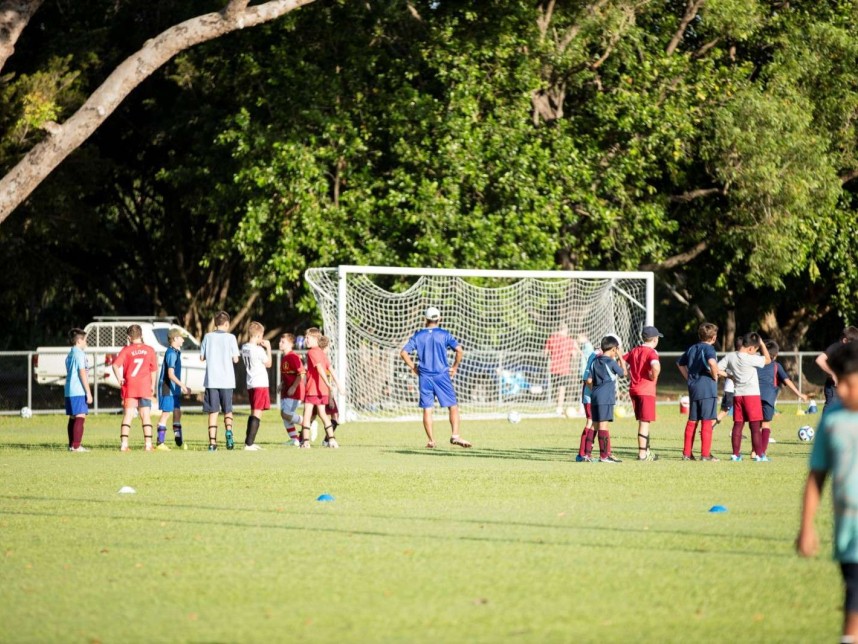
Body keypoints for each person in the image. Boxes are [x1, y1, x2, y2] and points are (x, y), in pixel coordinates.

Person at [797, 341, 858, 643]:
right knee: (854, 598)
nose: (841, 391)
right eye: (838, 382)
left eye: (848, 383)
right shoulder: (832, 420)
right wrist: (806, 527)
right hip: (850, 529)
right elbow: (816, 479)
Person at [400, 307, 471, 449]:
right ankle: (455, 435)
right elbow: (459, 350)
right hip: (441, 375)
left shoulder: (418, 335)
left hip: (425, 376)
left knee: (427, 409)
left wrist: (414, 368)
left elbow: (403, 353)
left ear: (425, 319)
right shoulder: (444, 334)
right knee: (453, 407)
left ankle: (431, 440)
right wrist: (455, 366)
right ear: (440, 319)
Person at [717, 332, 771, 461]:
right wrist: (762, 344)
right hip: (751, 396)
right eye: (755, 349)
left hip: (738, 395)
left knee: (738, 424)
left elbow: (716, 369)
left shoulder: (730, 356)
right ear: (751, 348)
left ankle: (735, 455)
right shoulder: (750, 358)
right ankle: (759, 455)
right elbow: (768, 360)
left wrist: (729, 376)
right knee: (754, 426)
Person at [676, 322, 720, 461]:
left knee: (693, 420)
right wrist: (715, 376)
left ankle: (687, 454)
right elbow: (712, 363)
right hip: (707, 388)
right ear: (713, 337)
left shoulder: (692, 348)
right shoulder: (709, 349)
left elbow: (679, 363)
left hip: (694, 388)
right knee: (707, 420)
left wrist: (688, 377)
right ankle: (705, 455)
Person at [756, 339, 808, 456]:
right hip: (768, 397)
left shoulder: (755, 364)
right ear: (776, 354)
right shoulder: (776, 366)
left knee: (756, 425)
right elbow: (787, 381)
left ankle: (754, 450)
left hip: (754, 396)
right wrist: (799, 394)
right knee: (765, 424)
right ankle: (761, 452)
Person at [112, 324, 158, 451]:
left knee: (128, 415)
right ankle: (148, 445)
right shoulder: (149, 350)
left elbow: (115, 365)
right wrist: (152, 385)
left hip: (130, 386)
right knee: (146, 415)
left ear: (129, 337)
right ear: (141, 335)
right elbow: (153, 370)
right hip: (144, 387)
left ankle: (124, 445)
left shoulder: (126, 350)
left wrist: (120, 378)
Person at [200, 311, 240, 451]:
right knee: (228, 410)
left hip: (211, 380)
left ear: (215, 323)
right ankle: (229, 432)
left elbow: (202, 357)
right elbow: (235, 359)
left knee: (213, 411)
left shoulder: (207, 337)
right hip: (227, 380)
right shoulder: (231, 338)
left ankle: (212, 443)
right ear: (227, 324)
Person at [583, 335, 627, 463]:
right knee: (603, 425)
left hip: (595, 396)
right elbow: (624, 373)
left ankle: (587, 454)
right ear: (614, 349)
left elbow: (589, 380)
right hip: (605, 398)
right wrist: (621, 357)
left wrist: (595, 391)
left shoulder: (595, 361)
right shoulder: (611, 362)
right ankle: (604, 456)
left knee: (594, 425)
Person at [624, 325, 663, 461]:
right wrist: (653, 376)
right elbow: (656, 366)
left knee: (643, 421)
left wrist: (628, 374)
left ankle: (647, 450)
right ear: (655, 339)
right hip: (646, 390)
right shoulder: (652, 352)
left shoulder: (634, 350)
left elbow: (620, 361)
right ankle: (642, 454)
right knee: (644, 422)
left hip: (634, 389)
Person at [299, 328, 342, 448]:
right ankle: (332, 440)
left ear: (316, 339)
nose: (305, 340)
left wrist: (329, 385)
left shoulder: (312, 352)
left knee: (307, 414)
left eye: (308, 338)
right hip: (322, 390)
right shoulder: (322, 353)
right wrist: (338, 385)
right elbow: (331, 368)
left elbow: (319, 368)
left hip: (313, 389)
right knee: (323, 414)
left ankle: (306, 442)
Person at [155, 328, 190, 450]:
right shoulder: (171, 353)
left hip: (174, 389)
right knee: (166, 414)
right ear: (175, 339)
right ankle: (160, 443)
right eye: (181, 337)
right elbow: (170, 374)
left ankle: (178, 442)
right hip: (167, 388)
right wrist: (183, 385)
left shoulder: (176, 352)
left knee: (177, 413)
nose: (183, 340)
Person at [241, 321, 272, 451]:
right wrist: (269, 348)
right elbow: (269, 363)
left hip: (251, 383)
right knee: (257, 413)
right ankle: (249, 444)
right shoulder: (258, 350)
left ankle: (249, 442)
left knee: (254, 411)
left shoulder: (245, 347)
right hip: (260, 383)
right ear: (259, 335)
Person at [64, 328, 93, 452]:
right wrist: (88, 391)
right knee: (80, 416)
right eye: (85, 340)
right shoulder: (79, 354)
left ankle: (71, 445)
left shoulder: (70, 354)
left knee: (73, 417)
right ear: (79, 341)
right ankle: (76, 446)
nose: (86, 343)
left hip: (69, 390)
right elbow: (82, 372)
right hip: (78, 390)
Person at [816, 327, 858, 410]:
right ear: (845, 340)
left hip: (848, 386)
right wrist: (832, 374)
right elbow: (820, 360)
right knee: (831, 408)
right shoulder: (836, 347)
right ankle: (827, 422)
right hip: (833, 387)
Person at [544, 323, 578, 415]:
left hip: (553, 367)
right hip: (564, 368)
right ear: (565, 330)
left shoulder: (551, 338)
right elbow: (574, 355)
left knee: (555, 388)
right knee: (561, 389)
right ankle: (559, 408)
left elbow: (545, 353)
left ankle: (557, 407)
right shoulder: (569, 340)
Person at [278, 333, 305, 446]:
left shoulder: (293, 357)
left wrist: (294, 387)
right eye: (280, 341)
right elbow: (288, 375)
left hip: (294, 392)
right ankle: (294, 439)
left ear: (290, 344)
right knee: (283, 414)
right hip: (286, 391)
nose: (280, 343)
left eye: (283, 342)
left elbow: (301, 373)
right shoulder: (285, 358)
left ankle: (308, 423)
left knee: (286, 414)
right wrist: (282, 384)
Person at [575, 339, 599, 462]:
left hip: (590, 394)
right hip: (590, 395)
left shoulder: (595, 355)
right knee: (591, 422)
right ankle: (582, 453)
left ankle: (586, 453)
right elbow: (588, 379)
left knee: (595, 423)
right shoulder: (597, 356)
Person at [715, 337, 743, 427]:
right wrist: (729, 376)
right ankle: (710, 426)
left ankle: (736, 432)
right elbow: (717, 369)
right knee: (725, 411)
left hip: (740, 389)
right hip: (730, 388)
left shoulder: (740, 356)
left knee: (742, 412)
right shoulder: (732, 356)